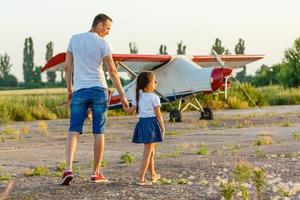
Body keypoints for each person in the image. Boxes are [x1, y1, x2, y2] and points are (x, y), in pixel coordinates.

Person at [61, 13, 128, 185]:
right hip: (99, 90)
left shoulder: (74, 39)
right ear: (99, 25)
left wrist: (70, 89)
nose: (108, 32)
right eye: (107, 28)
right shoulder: (103, 42)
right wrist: (122, 95)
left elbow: (68, 67)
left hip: (80, 90)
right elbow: (112, 71)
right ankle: (95, 173)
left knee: (73, 130)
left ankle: (68, 169)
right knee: (99, 131)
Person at [122, 71, 165, 186]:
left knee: (151, 152)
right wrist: (163, 128)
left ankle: (153, 175)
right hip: (151, 125)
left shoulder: (137, 96)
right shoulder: (154, 98)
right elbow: (158, 115)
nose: (156, 82)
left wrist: (124, 107)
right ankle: (141, 179)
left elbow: (131, 111)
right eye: (154, 81)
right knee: (147, 153)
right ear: (149, 84)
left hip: (142, 124)